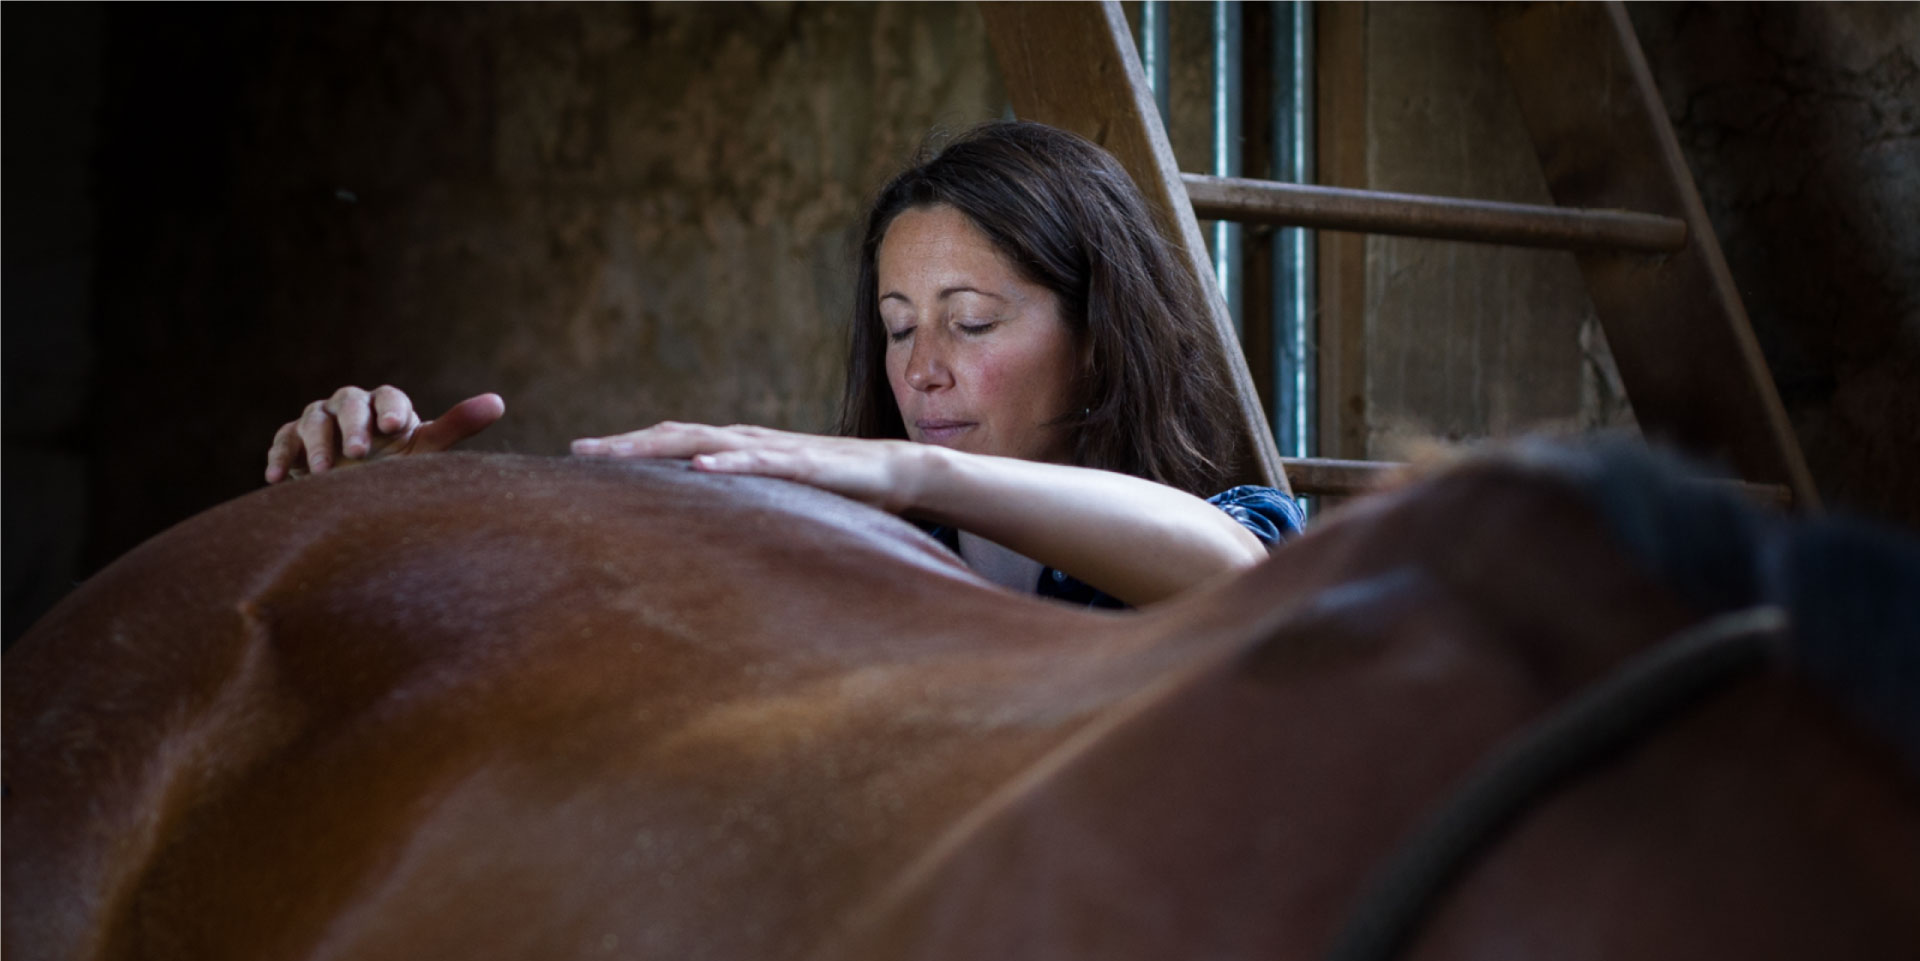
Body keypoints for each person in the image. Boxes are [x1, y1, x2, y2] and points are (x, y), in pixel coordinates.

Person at [263, 122, 1302, 607]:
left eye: (972, 321)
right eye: (899, 327)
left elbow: (1231, 571)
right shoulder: (840, 549)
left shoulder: (1238, 522)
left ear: (1103, 331)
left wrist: (903, 471)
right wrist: (383, 525)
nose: (923, 369)